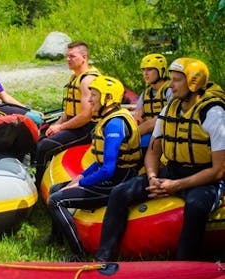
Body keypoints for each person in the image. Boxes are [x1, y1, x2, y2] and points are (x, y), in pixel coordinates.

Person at [95, 58, 225, 262]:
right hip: (172, 171)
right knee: (120, 193)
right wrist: (153, 176)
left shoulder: (214, 114)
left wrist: (177, 185)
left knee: (196, 207)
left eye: (177, 81)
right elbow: (154, 152)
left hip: (205, 177)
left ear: (193, 83)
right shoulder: (169, 110)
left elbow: (219, 170)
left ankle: (184, 266)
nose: (171, 85)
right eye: (171, 79)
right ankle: (103, 259)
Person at [44, 76, 142, 259]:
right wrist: (79, 178)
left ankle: (77, 254)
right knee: (55, 188)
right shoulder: (108, 118)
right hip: (109, 177)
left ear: (108, 98)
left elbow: (108, 169)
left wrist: (81, 184)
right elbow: (99, 162)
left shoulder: (115, 124)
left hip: (116, 182)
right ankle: (56, 239)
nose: (89, 99)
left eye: (94, 95)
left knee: (56, 200)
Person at [35, 41, 100, 187]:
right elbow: (69, 111)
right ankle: (39, 173)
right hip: (74, 124)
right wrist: (56, 124)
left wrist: (60, 128)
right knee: (40, 136)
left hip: (86, 128)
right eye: (67, 56)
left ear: (84, 57)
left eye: (72, 56)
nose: (67, 59)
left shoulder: (88, 80)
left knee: (43, 146)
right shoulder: (74, 77)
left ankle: (38, 185)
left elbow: (86, 116)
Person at [134, 53, 172, 151]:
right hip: (148, 133)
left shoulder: (170, 90)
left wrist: (131, 135)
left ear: (161, 71)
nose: (145, 73)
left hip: (166, 135)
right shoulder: (145, 93)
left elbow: (157, 122)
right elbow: (138, 118)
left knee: (144, 141)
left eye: (150, 69)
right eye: (143, 70)